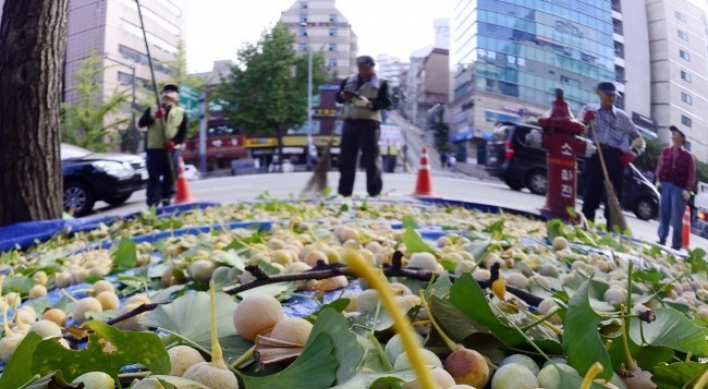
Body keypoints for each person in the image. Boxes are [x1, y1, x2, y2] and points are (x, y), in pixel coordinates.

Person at [581, 82, 644, 230]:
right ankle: (586, 227)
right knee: (590, 194)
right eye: (608, 94)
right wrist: (585, 121)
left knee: (614, 197)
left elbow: (639, 140)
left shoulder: (623, 117)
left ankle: (612, 231)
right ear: (599, 93)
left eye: (614, 95)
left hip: (616, 160)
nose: (611, 97)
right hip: (594, 154)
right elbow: (579, 133)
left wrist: (633, 153)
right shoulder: (589, 110)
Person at [335, 55, 392, 198]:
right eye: (361, 68)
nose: (364, 71)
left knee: (370, 159)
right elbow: (337, 97)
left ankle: (374, 191)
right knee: (346, 159)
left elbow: (387, 102)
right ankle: (344, 192)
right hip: (349, 122)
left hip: (369, 123)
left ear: (373, 67)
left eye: (366, 68)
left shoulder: (382, 83)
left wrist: (370, 104)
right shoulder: (349, 81)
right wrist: (342, 96)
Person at [138, 84, 188, 207]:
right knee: (154, 176)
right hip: (154, 148)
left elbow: (183, 132)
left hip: (171, 150)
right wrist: (153, 116)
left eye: (172, 92)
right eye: (166, 92)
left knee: (170, 175)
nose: (168, 94)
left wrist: (174, 142)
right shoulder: (152, 109)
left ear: (176, 97)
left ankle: (167, 198)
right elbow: (141, 123)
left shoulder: (181, 112)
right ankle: (153, 202)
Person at [656, 126, 696, 249]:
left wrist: (688, 190)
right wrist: (658, 180)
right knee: (664, 213)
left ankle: (676, 244)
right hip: (666, 184)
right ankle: (662, 238)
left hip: (679, 188)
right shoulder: (666, 151)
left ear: (682, 138)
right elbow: (660, 166)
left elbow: (691, 174)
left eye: (675, 133)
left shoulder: (688, 156)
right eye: (672, 133)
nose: (673, 135)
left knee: (677, 217)